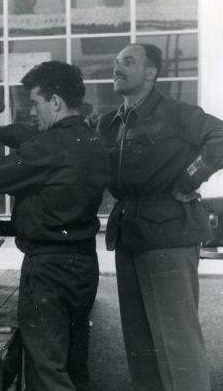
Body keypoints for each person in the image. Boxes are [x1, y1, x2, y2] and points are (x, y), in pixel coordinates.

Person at [0, 61, 110, 391]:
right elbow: (29, 139)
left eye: (36, 103)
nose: (33, 112)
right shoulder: (93, 141)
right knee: (73, 365)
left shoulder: (49, 146)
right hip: (83, 263)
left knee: (46, 371)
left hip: (48, 270)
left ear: (55, 101)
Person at [97, 43, 223, 391]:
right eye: (115, 62)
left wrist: (191, 177)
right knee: (140, 342)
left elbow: (221, 137)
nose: (116, 68)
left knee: (175, 340)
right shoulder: (111, 121)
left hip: (168, 231)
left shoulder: (177, 113)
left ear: (151, 73)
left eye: (127, 62)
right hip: (129, 230)